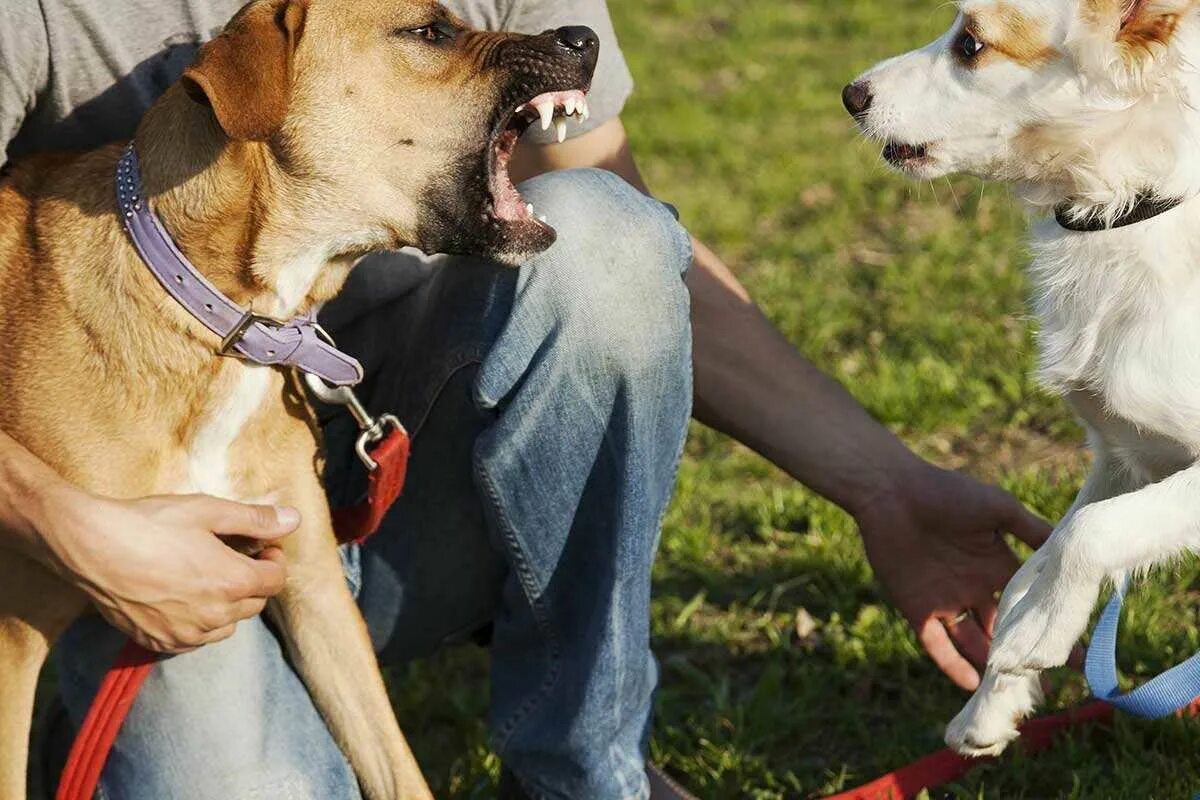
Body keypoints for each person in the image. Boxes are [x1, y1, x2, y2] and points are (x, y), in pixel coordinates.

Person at [0, 1, 1050, 798]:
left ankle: (591, 769)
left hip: (390, 474)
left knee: (605, 236)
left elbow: (634, 260)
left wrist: (885, 484)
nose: (472, 38)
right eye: (426, 32)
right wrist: (66, 526)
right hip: (110, 540)